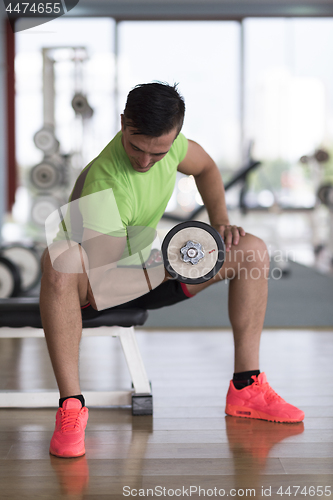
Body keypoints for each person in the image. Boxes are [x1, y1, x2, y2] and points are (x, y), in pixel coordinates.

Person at [40, 82, 304, 459]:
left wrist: (222, 222)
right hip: (89, 293)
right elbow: (104, 289)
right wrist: (170, 266)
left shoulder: (174, 146)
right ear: (122, 123)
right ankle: (72, 407)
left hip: (146, 271)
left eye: (158, 152)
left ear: (175, 136)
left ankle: (247, 387)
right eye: (136, 147)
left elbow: (208, 167)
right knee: (60, 260)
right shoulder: (106, 183)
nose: (145, 160)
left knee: (252, 250)